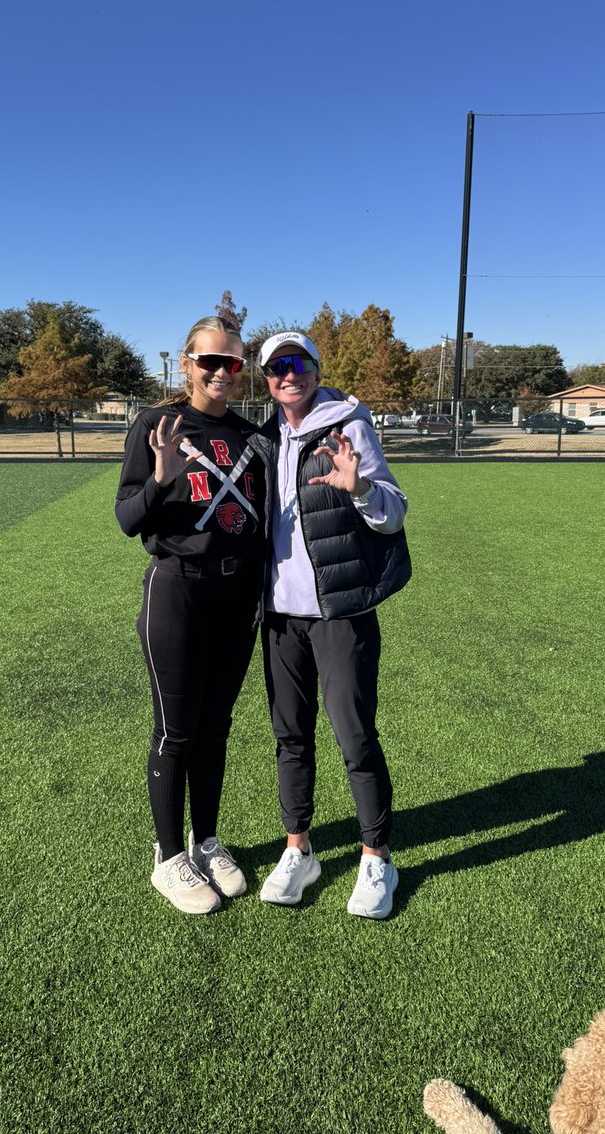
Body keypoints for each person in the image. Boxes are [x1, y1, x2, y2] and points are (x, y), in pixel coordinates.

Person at [250, 331, 411, 919]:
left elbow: (394, 512)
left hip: (340, 613)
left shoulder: (349, 426)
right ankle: (299, 849)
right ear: (264, 379)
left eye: (298, 364)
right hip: (279, 618)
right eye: (275, 368)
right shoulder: (266, 437)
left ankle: (377, 858)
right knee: (290, 736)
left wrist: (361, 487)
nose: (287, 376)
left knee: (354, 736)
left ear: (315, 369)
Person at [114, 316, 264, 915]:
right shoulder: (158, 424)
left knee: (216, 727)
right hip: (178, 593)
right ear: (186, 362)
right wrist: (159, 478)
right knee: (176, 730)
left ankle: (206, 840)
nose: (223, 372)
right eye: (211, 361)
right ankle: (169, 854)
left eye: (233, 362)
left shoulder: (253, 437)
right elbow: (128, 520)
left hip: (238, 599)